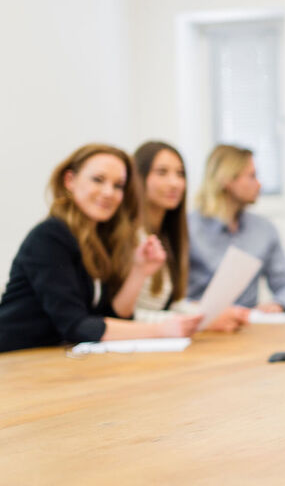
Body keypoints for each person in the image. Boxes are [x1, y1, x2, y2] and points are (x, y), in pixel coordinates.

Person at [0, 144, 201, 352]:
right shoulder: (50, 236)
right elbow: (77, 326)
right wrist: (160, 330)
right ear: (70, 181)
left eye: (118, 186)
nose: (108, 192)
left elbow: (109, 318)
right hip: (15, 358)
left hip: (54, 359)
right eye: (98, 180)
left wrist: (140, 271)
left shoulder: (99, 240)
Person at [132, 141, 249, 331]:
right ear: (138, 178)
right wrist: (201, 322)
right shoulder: (131, 237)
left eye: (180, 174)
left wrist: (209, 315)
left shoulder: (169, 234)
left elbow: (173, 304)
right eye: (162, 172)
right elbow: (125, 315)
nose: (175, 183)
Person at [187, 144, 285, 312]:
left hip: (247, 326)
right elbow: (170, 298)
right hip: (202, 327)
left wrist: (277, 305)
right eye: (252, 176)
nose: (259, 184)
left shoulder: (264, 230)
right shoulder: (188, 229)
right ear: (227, 179)